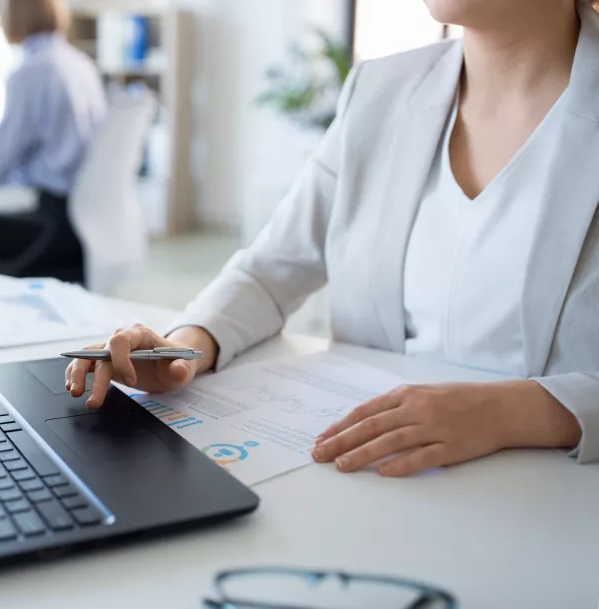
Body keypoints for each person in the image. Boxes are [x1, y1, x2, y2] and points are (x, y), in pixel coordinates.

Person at [68, 0, 599, 476]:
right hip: (371, 479)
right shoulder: (379, 92)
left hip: (554, 497)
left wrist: (511, 413)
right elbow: (270, 271)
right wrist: (185, 347)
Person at [0, 0, 106, 284]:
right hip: (89, 221)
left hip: (56, 225)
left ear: (16, 14)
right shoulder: (80, 63)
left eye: (1, 12)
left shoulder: (31, 71)